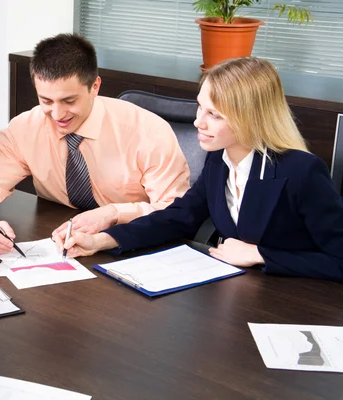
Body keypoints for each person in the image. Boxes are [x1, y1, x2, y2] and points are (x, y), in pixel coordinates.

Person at [54, 57, 343, 282]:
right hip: (236, 297)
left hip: (295, 304)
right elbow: (180, 217)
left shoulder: (302, 172)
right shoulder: (219, 160)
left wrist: (260, 254)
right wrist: (101, 240)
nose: (198, 123)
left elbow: (339, 260)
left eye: (213, 115)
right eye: (200, 108)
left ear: (250, 118)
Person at [0, 33, 190, 255]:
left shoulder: (147, 132)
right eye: (46, 101)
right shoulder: (24, 129)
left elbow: (176, 210)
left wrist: (113, 213)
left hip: (133, 243)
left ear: (95, 87)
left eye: (69, 101)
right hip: (64, 243)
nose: (57, 114)